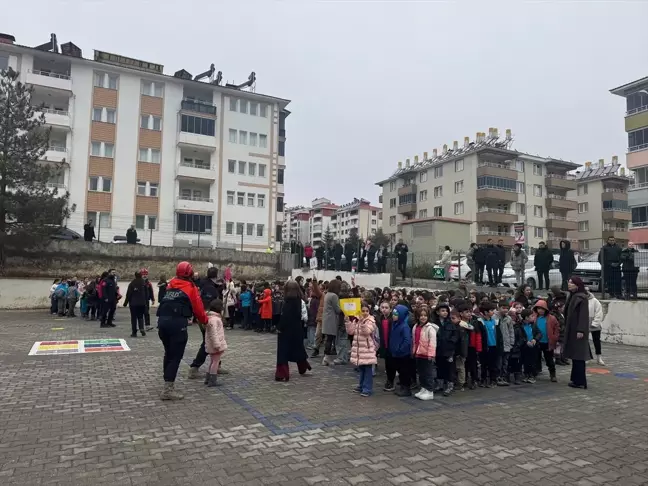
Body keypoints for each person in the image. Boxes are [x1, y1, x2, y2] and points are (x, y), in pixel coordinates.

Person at [156, 261, 208, 400]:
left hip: (162, 321)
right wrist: (206, 321)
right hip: (177, 323)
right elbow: (198, 308)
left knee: (168, 353)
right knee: (176, 356)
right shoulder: (190, 287)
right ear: (190, 273)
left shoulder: (171, 284)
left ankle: (167, 382)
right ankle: (168, 389)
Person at [275, 281, 311, 381]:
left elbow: (285, 317)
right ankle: (302, 365)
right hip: (298, 328)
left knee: (283, 351)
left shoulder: (288, 302)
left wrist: (279, 327)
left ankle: (282, 373)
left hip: (287, 330)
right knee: (298, 348)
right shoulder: (299, 300)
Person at [564, 276, 591, 389]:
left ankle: (580, 381)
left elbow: (584, 316)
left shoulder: (582, 298)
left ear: (577, 285)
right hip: (571, 329)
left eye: (572, 283)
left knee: (579, 356)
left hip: (578, 331)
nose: (569, 284)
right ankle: (575, 379)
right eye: (569, 282)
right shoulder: (572, 296)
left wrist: (580, 330)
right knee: (575, 356)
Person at [346, 301, 377, 397]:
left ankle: (367, 388)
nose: (365, 313)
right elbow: (351, 332)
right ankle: (361, 386)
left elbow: (367, 332)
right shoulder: (357, 320)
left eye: (366, 311)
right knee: (362, 369)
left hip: (367, 350)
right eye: (363, 311)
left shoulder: (371, 321)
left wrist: (363, 322)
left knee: (367, 370)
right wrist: (348, 322)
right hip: (359, 351)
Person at [412, 306, 437, 400]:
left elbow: (433, 342)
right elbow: (414, 340)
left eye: (425, 315)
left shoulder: (430, 328)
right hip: (419, 353)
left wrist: (431, 354)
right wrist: (413, 351)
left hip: (427, 355)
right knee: (421, 373)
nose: (423, 317)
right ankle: (424, 388)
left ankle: (430, 390)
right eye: (421, 315)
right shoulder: (416, 326)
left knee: (428, 373)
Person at [532, 300, 559, 383]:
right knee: (536, 358)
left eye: (542, 309)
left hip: (547, 342)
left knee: (549, 359)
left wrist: (555, 337)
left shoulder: (551, 318)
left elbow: (557, 328)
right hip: (537, 341)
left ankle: (552, 374)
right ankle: (535, 372)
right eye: (538, 309)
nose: (540, 310)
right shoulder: (534, 317)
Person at [434, 303, 458, 396]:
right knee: (439, 367)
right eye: (442, 311)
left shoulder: (450, 323)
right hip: (438, 349)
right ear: (437, 312)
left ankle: (449, 385)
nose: (445, 313)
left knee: (449, 368)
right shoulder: (434, 323)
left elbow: (455, 336)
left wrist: (451, 344)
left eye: (446, 311)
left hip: (449, 350)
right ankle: (439, 384)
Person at [390, 304, 413, 396]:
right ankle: (402, 387)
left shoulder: (404, 326)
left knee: (404, 372)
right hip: (396, 354)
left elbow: (407, 340)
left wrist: (400, 349)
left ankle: (406, 388)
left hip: (403, 354)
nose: (393, 316)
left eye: (396, 314)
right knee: (400, 371)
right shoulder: (395, 324)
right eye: (393, 314)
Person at [204, 299, 227, 387]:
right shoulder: (215, 319)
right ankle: (213, 380)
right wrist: (217, 344)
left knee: (212, 361)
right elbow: (213, 333)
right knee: (215, 362)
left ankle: (208, 378)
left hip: (212, 344)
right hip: (215, 344)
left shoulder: (211, 317)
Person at [321, 279, 342, 365]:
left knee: (328, 338)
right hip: (331, 319)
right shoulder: (334, 296)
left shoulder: (327, 294)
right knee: (330, 339)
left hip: (326, 318)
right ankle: (326, 358)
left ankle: (326, 357)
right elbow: (337, 310)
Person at [123, 271, 147, 337]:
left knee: (133, 318)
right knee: (140, 316)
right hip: (142, 303)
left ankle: (134, 332)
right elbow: (147, 293)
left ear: (135, 275)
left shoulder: (132, 283)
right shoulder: (144, 283)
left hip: (134, 303)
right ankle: (141, 328)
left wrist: (125, 303)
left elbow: (128, 294)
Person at [521, 309, 541, 383]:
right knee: (526, 361)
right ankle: (526, 374)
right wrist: (525, 342)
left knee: (533, 361)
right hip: (525, 347)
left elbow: (539, 333)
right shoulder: (520, 326)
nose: (533, 317)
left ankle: (532, 375)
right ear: (526, 318)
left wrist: (535, 339)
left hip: (534, 346)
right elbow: (520, 336)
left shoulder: (534, 325)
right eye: (532, 316)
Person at [587, 289, 605, 366]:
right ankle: (587, 357)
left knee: (596, 341)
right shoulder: (581, 300)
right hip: (584, 323)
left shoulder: (595, 301)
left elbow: (599, 312)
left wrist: (595, 323)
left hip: (594, 324)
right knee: (585, 341)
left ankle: (599, 357)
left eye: (587, 291)